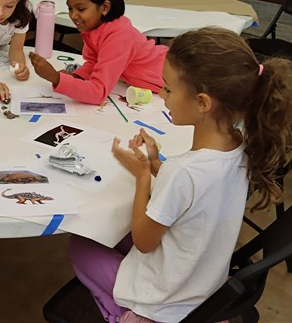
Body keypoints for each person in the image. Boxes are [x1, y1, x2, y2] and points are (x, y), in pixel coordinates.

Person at [68, 28, 292, 322]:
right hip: (203, 280)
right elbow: (197, 196)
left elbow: (144, 242)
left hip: (166, 299)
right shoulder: (241, 145)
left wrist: (143, 177)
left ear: (203, 103)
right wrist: (155, 165)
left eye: (168, 89)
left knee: (81, 245)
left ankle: (129, 315)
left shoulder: (183, 172)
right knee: (113, 233)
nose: (161, 95)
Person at [29, 0, 168, 105]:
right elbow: (95, 63)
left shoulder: (118, 35)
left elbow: (98, 92)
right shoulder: (95, 28)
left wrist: (56, 78)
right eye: (70, 8)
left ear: (105, 8)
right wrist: (76, 76)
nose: (73, 15)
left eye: (81, 9)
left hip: (172, 77)